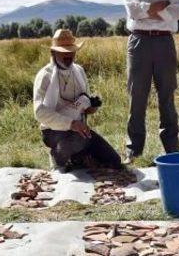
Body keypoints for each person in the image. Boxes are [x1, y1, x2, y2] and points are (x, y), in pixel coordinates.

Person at [122, 0, 179, 164]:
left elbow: (178, 11)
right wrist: (160, 8)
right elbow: (133, 11)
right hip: (139, 42)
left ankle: (172, 149)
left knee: (167, 95)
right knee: (137, 95)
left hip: (165, 42)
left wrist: (147, 11)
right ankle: (134, 149)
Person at [33, 29, 122, 171]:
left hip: (79, 130)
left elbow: (84, 104)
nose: (68, 55)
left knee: (115, 161)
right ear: (53, 53)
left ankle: (77, 157)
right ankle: (57, 155)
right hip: (53, 131)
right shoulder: (45, 76)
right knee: (80, 141)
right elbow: (40, 113)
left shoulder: (79, 71)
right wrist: (71, 124)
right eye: (64, 52)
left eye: (71, 51)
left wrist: (91, 108)